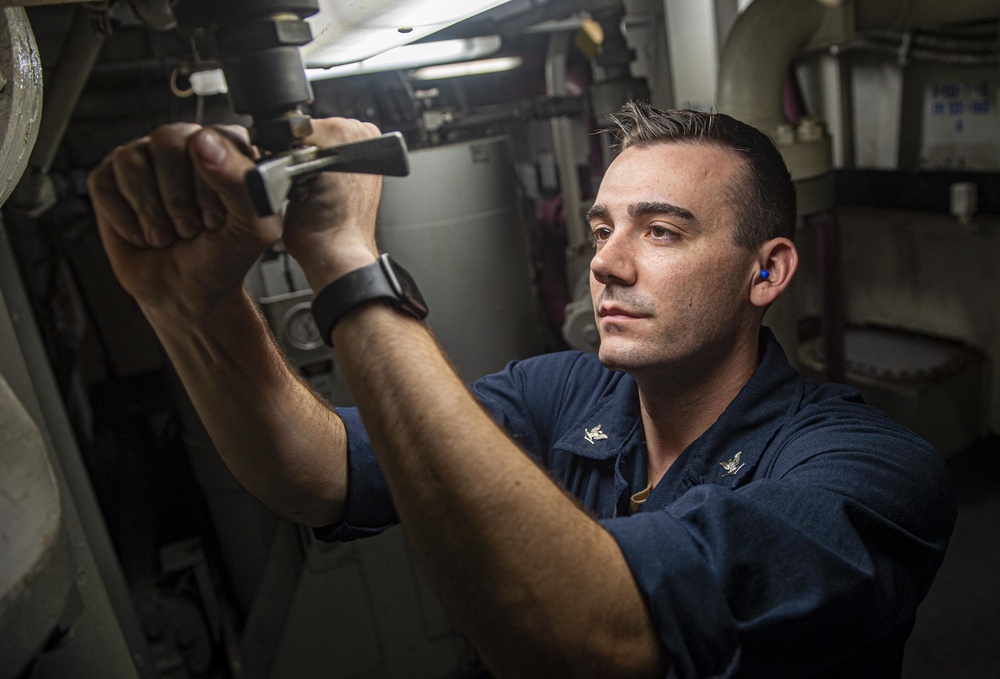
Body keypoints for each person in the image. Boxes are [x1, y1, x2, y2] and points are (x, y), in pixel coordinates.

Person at [88, 102, 955, 678]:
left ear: (766, 271)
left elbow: (585, 636)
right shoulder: (561, 393)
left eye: (662, 230)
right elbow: (318, 470)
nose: (607, 263)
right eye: (603, 228)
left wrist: (350, 266)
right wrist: (193, 308)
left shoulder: (869, 473)